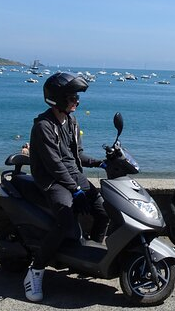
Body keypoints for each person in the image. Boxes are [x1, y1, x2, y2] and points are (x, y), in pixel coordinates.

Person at [23, 72, 109, 302]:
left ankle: (90, 256)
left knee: (103, 211)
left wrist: (100, 161)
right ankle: (36, 270)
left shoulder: (71, 121)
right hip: (53, 181)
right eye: (72, 98)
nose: (77, 102)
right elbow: (54, 165)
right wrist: (75, 190)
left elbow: (77, 155)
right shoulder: (43, 126)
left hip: (73, 176)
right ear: (58, 98)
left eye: (76, 97)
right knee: (66, 220)